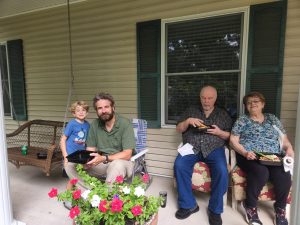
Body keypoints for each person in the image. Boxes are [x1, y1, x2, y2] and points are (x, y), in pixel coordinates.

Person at [230, 91, 294, 225]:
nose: (252, 104)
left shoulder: (273, 119)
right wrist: (245, 152)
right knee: (261, 172)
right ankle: (250, 206)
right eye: (248, 102)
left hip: (273, 156)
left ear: (263, 104)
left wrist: (289, 149)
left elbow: (284, 140)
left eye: (255, 101)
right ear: (246, 106)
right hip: (249, 155)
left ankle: (280, 208)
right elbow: (233, 141)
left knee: (284, 174)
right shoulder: (242, 120)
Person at [174, 85, 232, 225]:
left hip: (214, 148)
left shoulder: (223, 114)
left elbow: (231, 136)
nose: (206, 101)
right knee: (179, 165)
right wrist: (188, 121)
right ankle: (189, 205)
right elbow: (178, 128)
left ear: (215, 98)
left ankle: (215, 210)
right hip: (191, 147)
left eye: (210, 98)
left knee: (222, 171)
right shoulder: (191, 110)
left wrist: (219, 133)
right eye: (203, 98)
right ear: (200, 98)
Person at [65, 92, 136, 188]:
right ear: (96, 111)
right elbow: (90, 149)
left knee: (116, 164)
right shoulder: (95, 124)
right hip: (101, 162)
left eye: (106, 107)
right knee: (70, 165)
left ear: (113, 108)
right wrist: (87, 161)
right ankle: (89, 193)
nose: (103, 111)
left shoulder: (125, 124)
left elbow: (127, 154)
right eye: (100, 108)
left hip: (123, 163)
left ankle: (107, 199)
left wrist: (104, 158)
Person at [60, 101, 90, 190]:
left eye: (83, 110)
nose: (81, 112)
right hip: (70, 154)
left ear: (87, 112)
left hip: (81, 156)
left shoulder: (87, 125)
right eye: (78, 110)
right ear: (74, 113)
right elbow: (63, 140)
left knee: (79, 175)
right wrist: (65, 156)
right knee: (72, 177)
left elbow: (87, 141)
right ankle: (68, 195)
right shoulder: (72, 124)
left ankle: (76, 194)